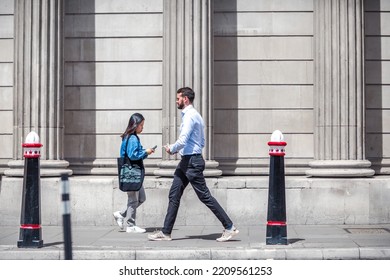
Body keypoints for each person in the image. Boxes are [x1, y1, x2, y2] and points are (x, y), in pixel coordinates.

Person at [148, 87, 239, 242]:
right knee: (174, 194)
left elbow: (183, 140)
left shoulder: (190, 116)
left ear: (186, 99)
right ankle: (166, 232)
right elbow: (201, 141)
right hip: (187, 161)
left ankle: (229, 227)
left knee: (205, 196)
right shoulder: (194, 116)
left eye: (178, 98)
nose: (176, 101)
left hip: (191, 162)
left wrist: (172, 149)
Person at [113, 113, 155, 233]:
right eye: (141, 125)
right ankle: (131, 225)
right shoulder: (131, 138)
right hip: (132, 173)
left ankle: (121, 214)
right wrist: (145, 152)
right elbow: (133, 155)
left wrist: (146, 152)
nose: (143, 127)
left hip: (134, 174)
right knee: (133, 200)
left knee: (141, 198)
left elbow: (135, 153)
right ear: (135, 125)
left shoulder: (132, 137)